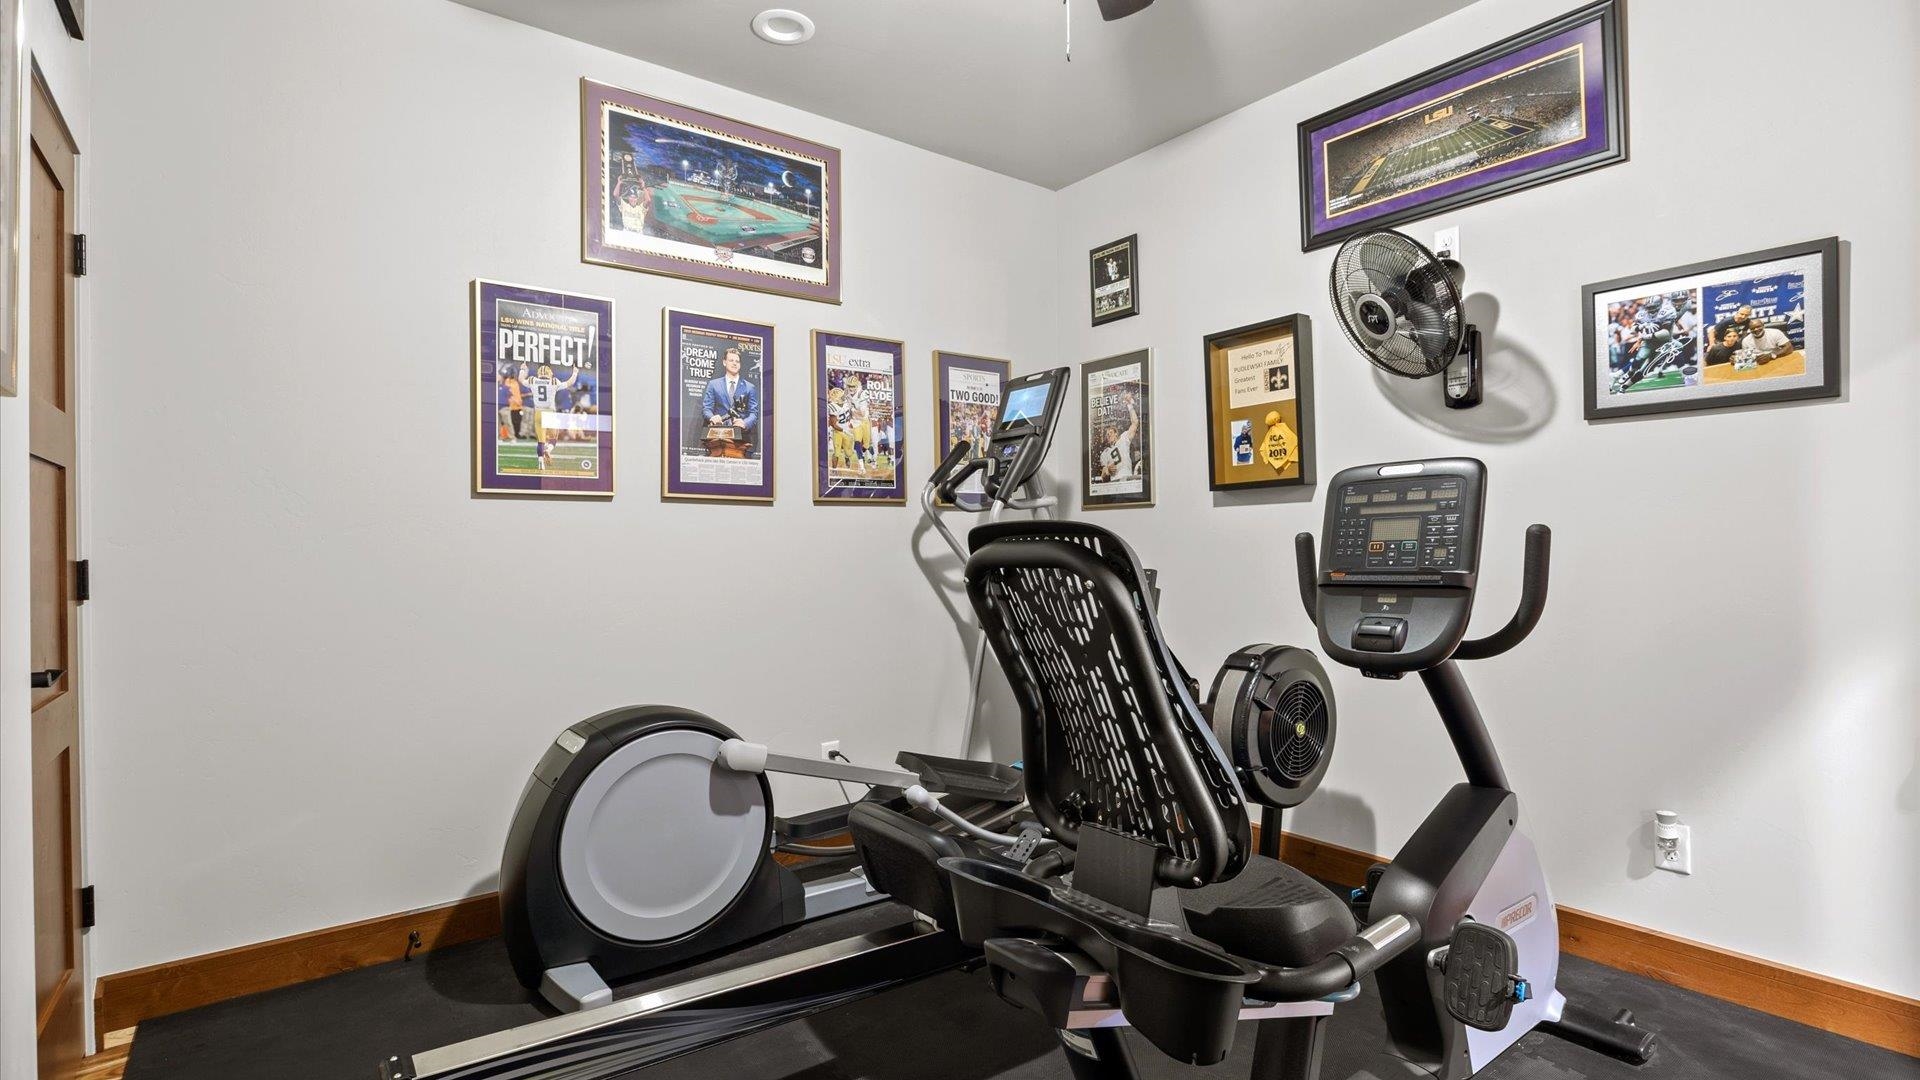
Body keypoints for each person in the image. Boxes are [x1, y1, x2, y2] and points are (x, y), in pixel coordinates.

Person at [701, 348, 759, 441]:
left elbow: (754, 414)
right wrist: (712, 417)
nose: (734, 363)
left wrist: (744, 423)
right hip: (717, 437)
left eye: (737, 361)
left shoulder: (749, 387)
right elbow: (707, 409)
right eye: (731, 360)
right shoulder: (714, 384)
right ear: (724, 362)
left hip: (741, 438)